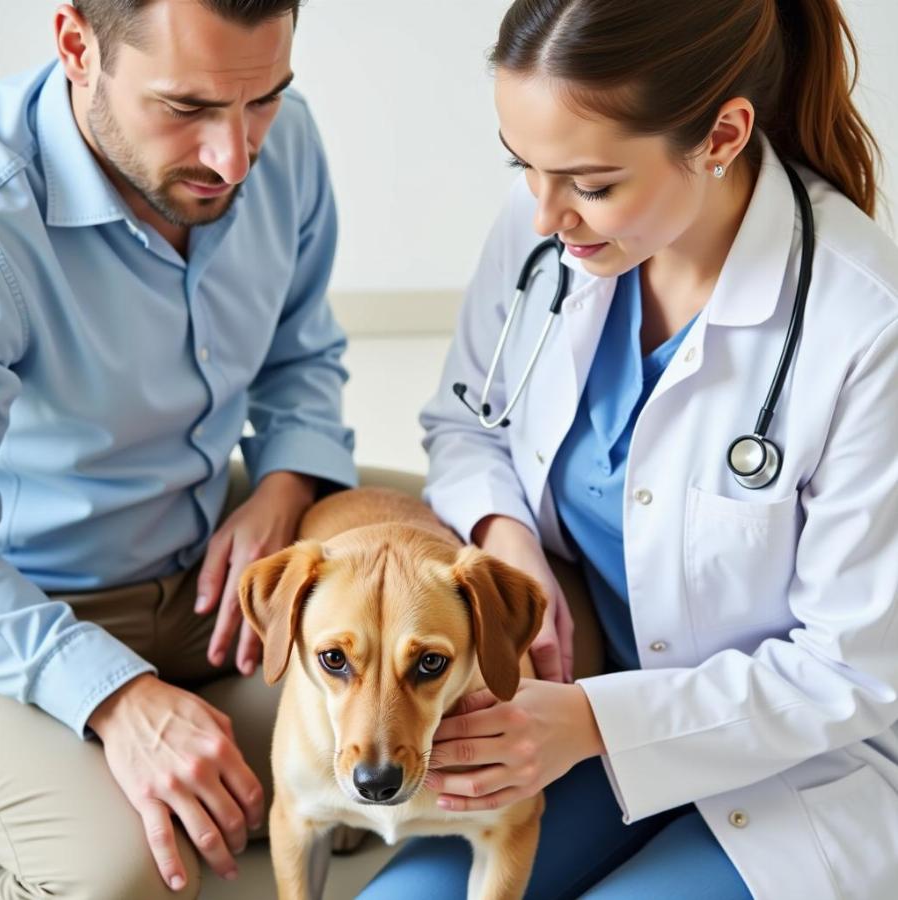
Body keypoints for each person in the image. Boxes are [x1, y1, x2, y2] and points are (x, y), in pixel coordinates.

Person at [360, 0, 898, 898]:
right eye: (521, 165)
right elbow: (466, 424)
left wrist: (589, 723)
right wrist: (505, 537)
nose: (544, 215)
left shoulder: (863, 325)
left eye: (592, 184)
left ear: (722, 134)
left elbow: (852, 671)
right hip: (580, 716)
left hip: (798, 771)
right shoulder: (552, 226)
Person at [0, 1, 356, 897]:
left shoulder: (286, 142)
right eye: (187, 107)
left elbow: (300, 351)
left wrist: (284, 482)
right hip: (34, 609)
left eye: (263, 98)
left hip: (215, 554)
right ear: (78, 46)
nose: (234, 158)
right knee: (123, 879)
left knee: (474, 605)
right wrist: (114, 696)